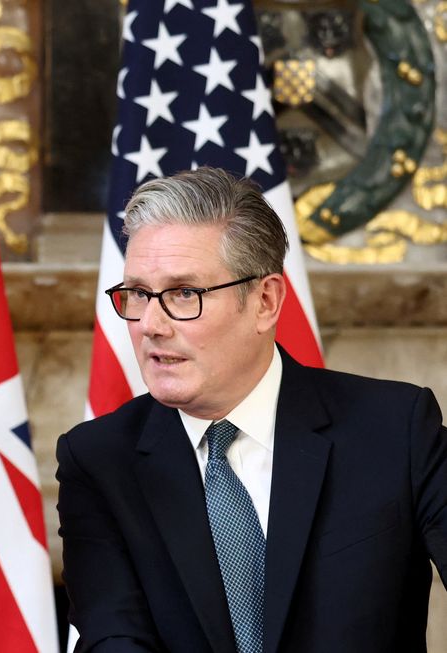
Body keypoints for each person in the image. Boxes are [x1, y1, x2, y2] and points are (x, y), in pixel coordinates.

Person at [57, 167, 447, 653]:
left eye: (184, 293)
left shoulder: (395, 428)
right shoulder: (97, 460)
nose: (150, 325)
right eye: (138, 293)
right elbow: (115, 638)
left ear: (265, 301)